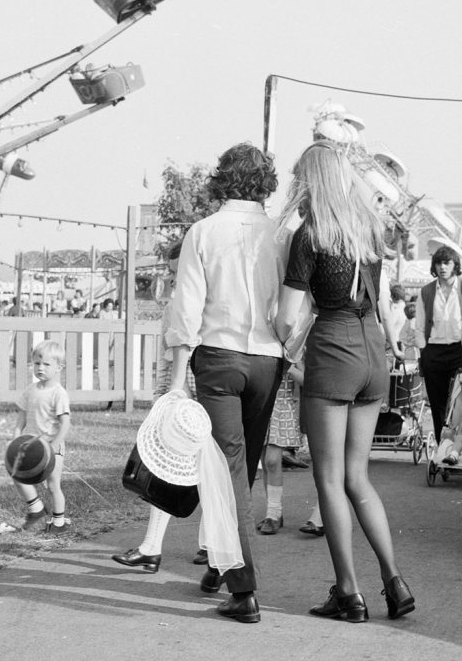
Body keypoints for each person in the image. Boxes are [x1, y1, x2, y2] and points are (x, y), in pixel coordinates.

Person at [275, 140, 412, 623]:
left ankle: (349, 592)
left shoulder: (311, 235)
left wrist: (278, 340)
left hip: (333, 348)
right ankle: (395, 582)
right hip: (372, 348)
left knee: (329, 478)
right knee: (359, 477)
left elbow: (288, 317)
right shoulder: (369, 230)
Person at [167, 142, 284, 624]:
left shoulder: (203, 232)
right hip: (268, 358)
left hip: (218, 357)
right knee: (245, 466)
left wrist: (177, 377)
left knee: (228, 470)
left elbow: (186, 306)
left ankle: (242, 587)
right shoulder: (281, 233)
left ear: (222, 179)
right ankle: (223, 559)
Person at [111, 241, 203, 572]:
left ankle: (209, 543)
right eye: (173, 271)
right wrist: (161, 398)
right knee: (169, 470)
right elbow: (166, 360)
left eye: (181, 270)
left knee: (209, 472)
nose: (177, 277)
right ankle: (151, 546)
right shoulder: (173, 306)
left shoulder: (209, 302)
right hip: (181, 398)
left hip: (207, 394)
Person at [414, 246, 462, 445]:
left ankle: (461, 443)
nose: (442, 267)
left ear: (455, 265)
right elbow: (419, 326)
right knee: (437, 403)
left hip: (460, 350)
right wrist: (423, 352)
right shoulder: (427, 291)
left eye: (446, 263)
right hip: (434, 351)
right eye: (438, 263)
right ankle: (442, 445)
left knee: (460, 401)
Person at [13, 340, 72, 534]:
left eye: (46, 364)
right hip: (32, 446)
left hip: (52, 447)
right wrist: (16, 438)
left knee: (53, 485)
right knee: (18, 476)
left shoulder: (58, 393)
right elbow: (21, 418)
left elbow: (65, 423)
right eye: (37, 363)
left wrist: (55, 445)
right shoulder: (30, 390)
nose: (40, 368)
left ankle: (59, 523)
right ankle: (36, 508)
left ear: (58, 368)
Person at [257, 358, 305, 534]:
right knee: (264, 460)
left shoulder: (293, 348)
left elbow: (306, 378)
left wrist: (290, 368)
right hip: (261, 403)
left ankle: (274, 514)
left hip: (283, 406)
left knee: (271, 461)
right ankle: (274, 512)